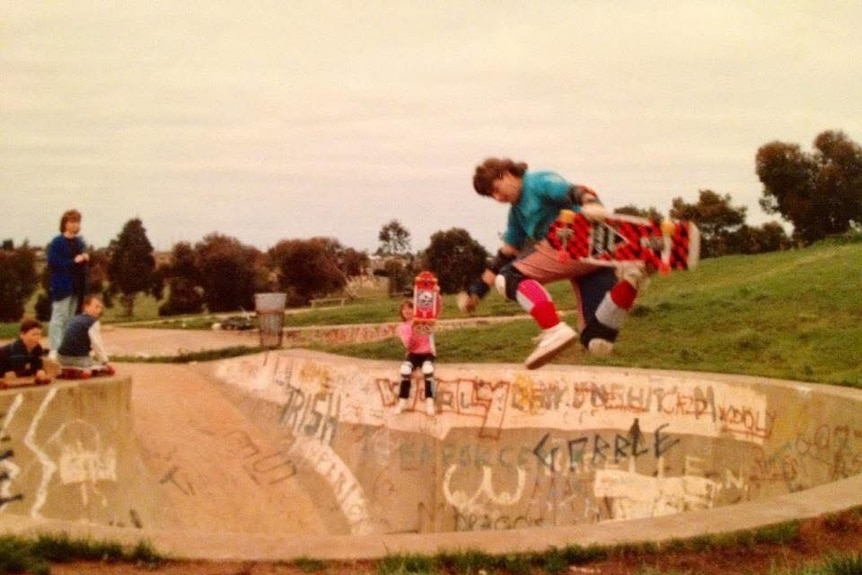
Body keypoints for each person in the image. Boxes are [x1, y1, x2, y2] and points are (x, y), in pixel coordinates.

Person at [461, 157, 648, 370]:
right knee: (596, 341)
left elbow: (571, 190)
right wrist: (477, 291)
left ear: (505, 173)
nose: (498, 197)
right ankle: (633, 276)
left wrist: (590, 201)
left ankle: (553, 329)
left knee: (509, 278)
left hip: (579, 239)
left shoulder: (537, 181)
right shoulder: (516, 214)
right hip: (588, 265)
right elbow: (505, 254)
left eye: (496, 189)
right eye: (491, 196)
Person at [46, 209, 89, 359]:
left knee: (70, 319)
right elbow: (53, 262)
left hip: (77, 286)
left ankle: (65, 349)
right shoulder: (57, 242)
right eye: (72, 222)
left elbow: (82, 260)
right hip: (63, 286)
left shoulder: (79, 242)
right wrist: (73, 261)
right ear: (65, 224)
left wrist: (84, 257)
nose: (75, 225)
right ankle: (54, 349)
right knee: (59, 317)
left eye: (77, 222)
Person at [394, 300, 437, 416]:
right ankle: (402, 401)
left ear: (414, 310)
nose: (407, 311)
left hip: (427, 353)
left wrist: (437, 295)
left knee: (428, 370)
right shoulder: (402, 327)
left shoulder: (423, 321)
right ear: (401, 312)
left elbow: (435, 310)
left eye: (409, 308)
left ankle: (430, 401)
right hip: (413, 353)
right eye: (404, 309)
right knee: (405, 370)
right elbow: (408, 345)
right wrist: (413, 329)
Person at [57, 294, 111, 374]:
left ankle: (69, 369)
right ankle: (84, 370)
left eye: (101, 308)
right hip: (79, 359)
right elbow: (96, 344)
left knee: (86, 359)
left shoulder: (74, 319)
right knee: (98, 365)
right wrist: (105, 361)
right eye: (96, 307)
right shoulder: (92, 322)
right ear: (86, 307)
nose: (99, 310)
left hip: (61, 358)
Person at [0, 318, 50, 383]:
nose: (37, 337)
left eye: (39, 334)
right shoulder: (17, 348)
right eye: (34, 335)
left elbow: (37, 362)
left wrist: (39, 370)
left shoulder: (37, 348)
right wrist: (34, 370)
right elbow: (20, 370)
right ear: (22, 335)